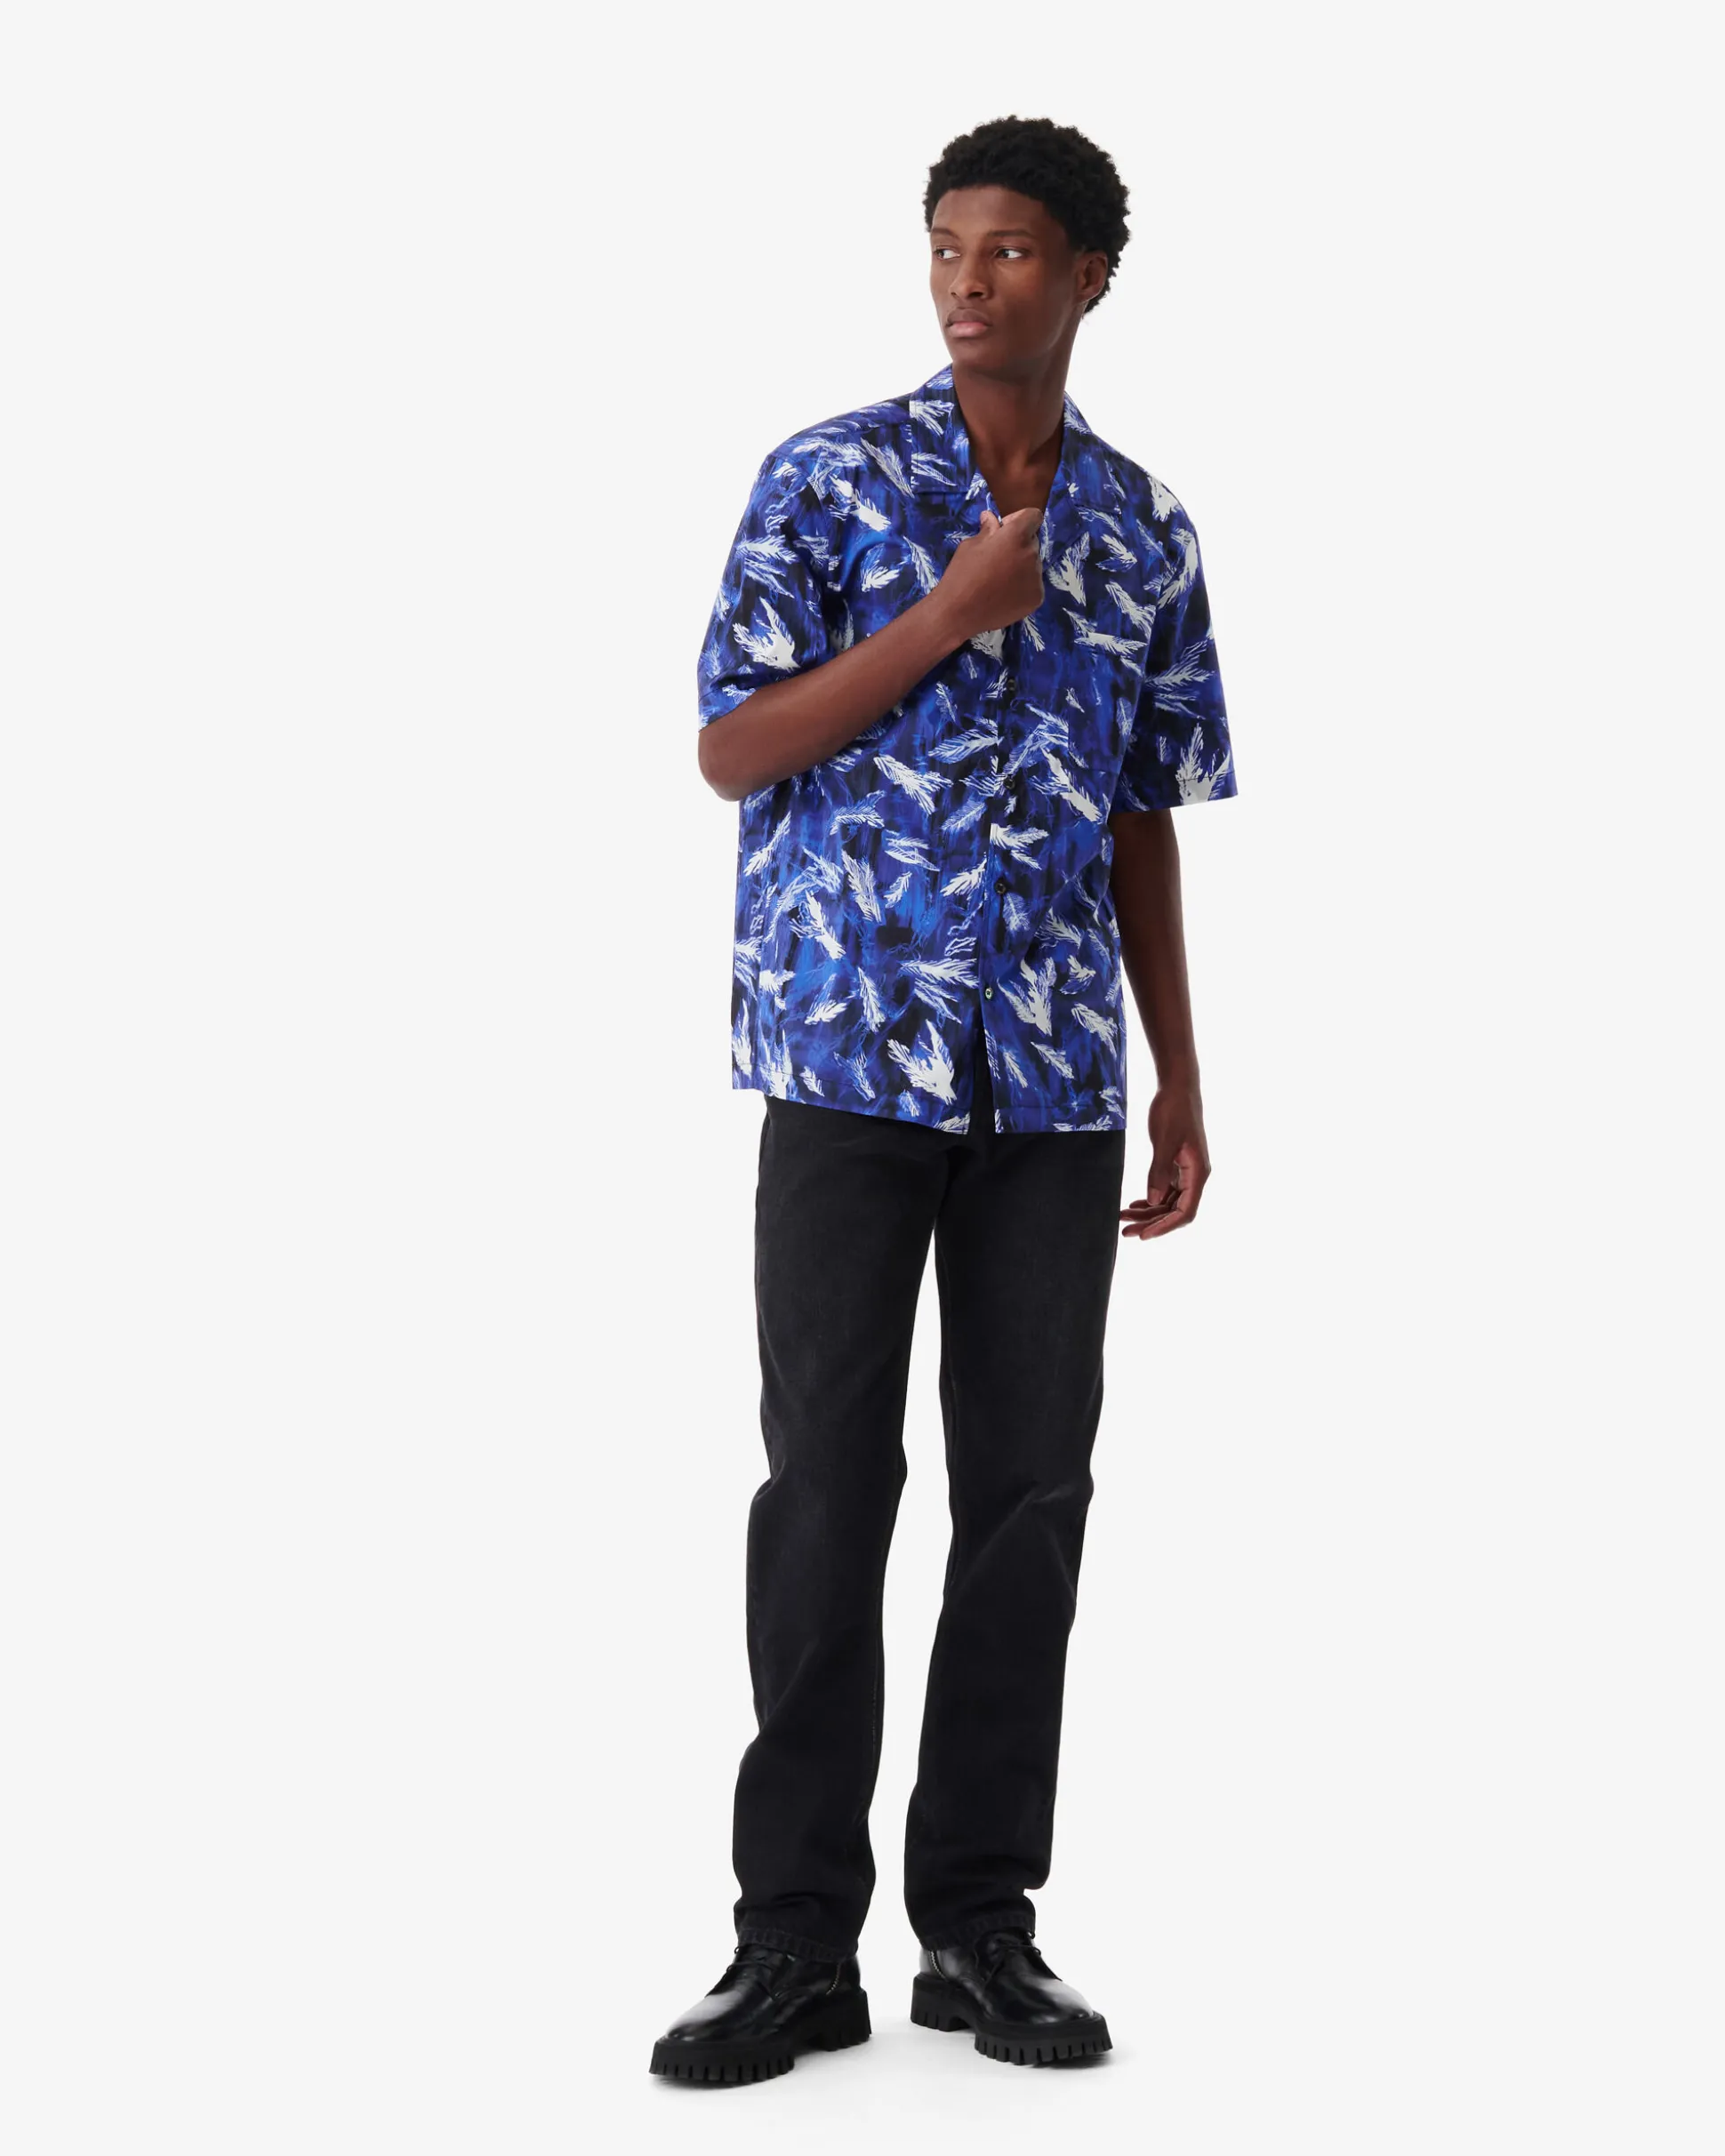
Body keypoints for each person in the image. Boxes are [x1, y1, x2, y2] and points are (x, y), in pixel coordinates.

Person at [650, 114, 1239, 2085]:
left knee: (1031, 1498)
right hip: (845, 1056)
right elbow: (733, 750)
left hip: (1054, 1082)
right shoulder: (827, 478)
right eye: (944, 248)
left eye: (1010, 252)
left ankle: (980, 1928)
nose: (968, 282)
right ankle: (790, 1942)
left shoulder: (1143, 528)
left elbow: (1142, 814)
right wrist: (946, 616)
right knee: (827, 1486)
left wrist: (1177, 1067)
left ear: (1088, 277)